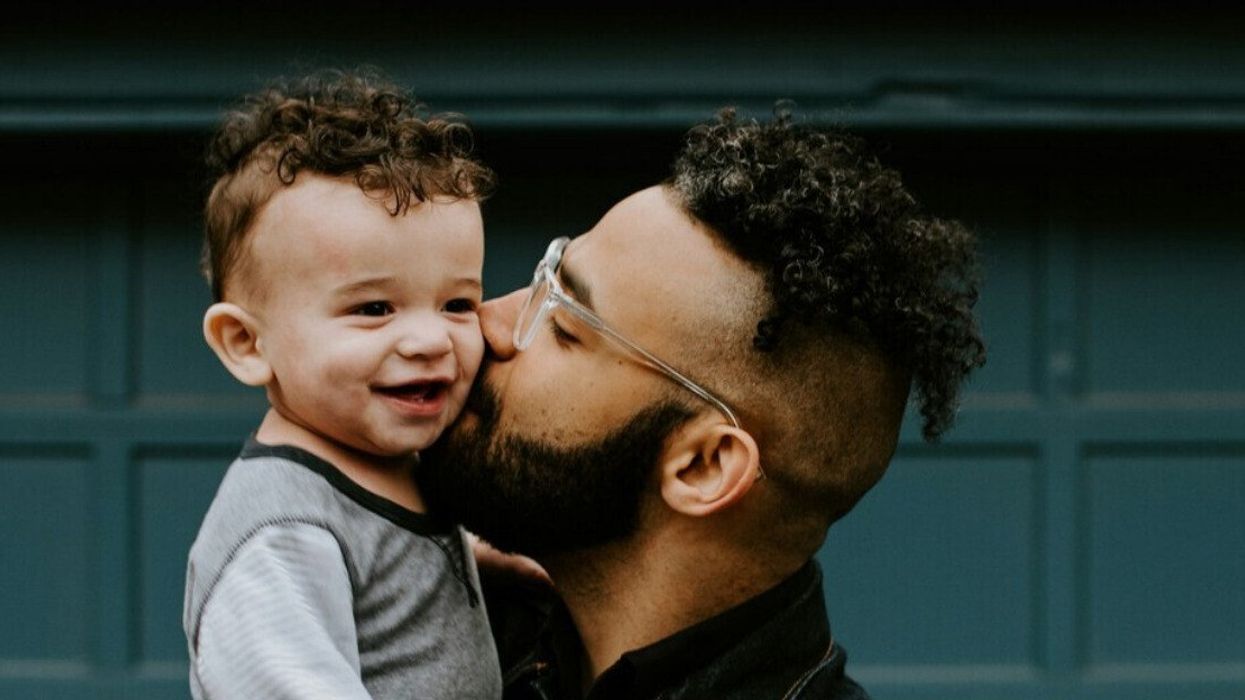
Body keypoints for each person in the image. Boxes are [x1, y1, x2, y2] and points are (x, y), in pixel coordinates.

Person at [418, 106, 986, 699]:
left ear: (704, 465)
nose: (488, 321)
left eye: (564, 328)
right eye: (545, 278)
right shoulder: (434, 611)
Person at [182, 69, 502, 698]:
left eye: (457, 304)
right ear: (247, 344)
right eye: (374, 309)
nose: (430, 340)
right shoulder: (281, 534)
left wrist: (489, 563)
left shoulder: (391, 463)